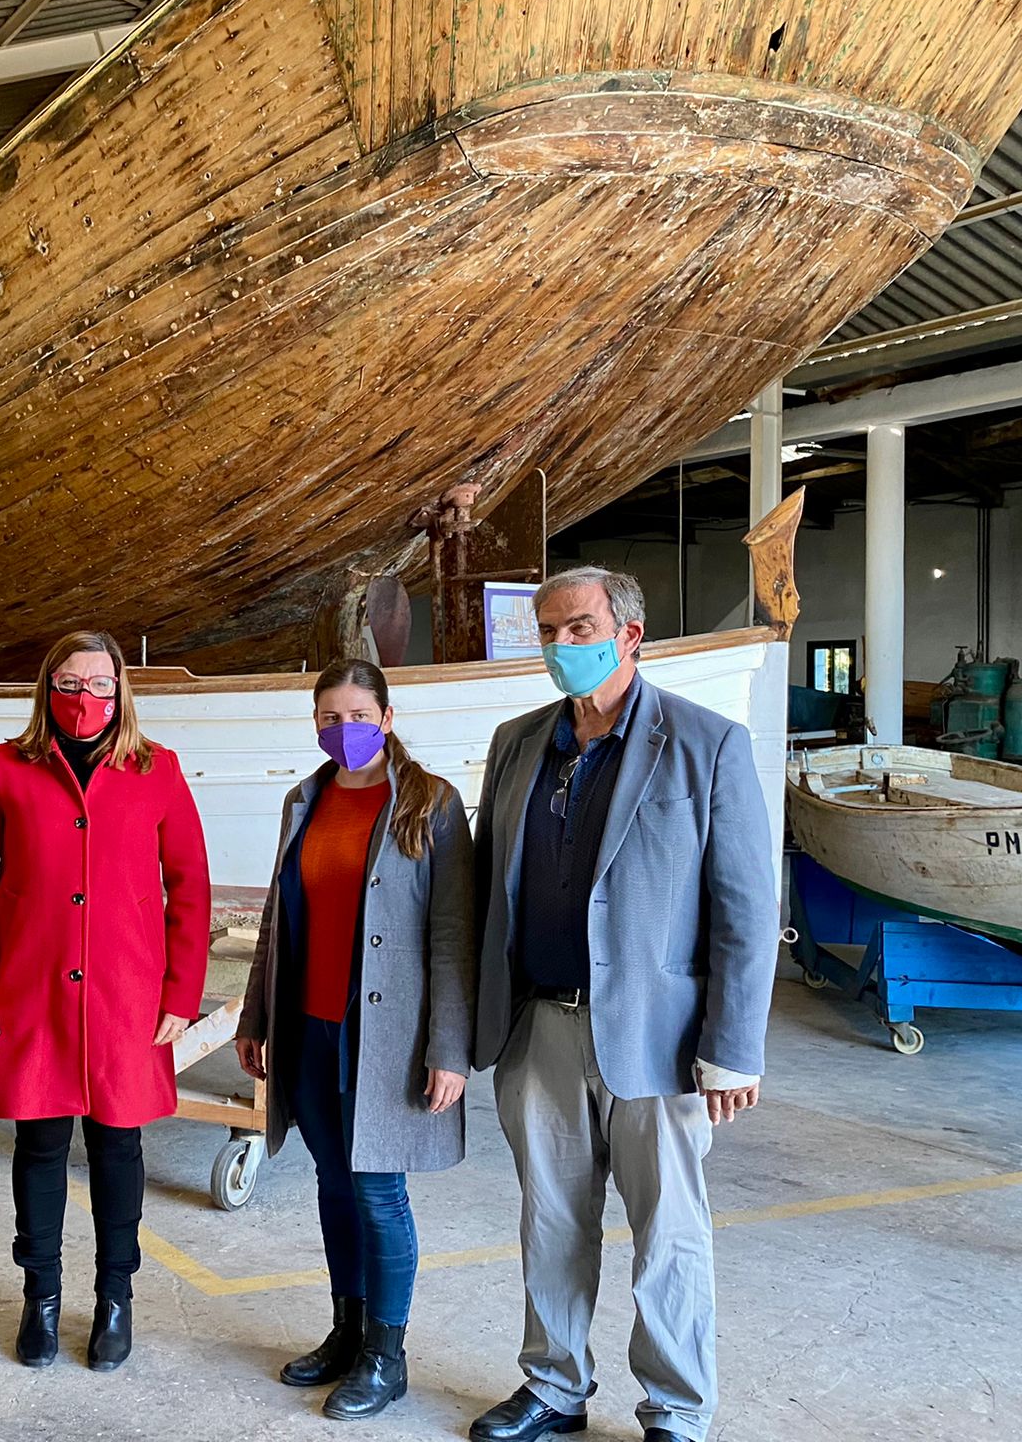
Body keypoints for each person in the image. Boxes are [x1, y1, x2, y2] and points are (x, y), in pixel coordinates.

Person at [466, 566, 774, 1442]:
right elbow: (491, 889)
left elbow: (747, 909)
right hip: (541, 1027)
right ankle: (554, 1387)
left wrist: (734, 1047)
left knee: (668, 1236)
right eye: (549, 631)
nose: (562, 646)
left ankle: (676, 1409)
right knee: (551, 1223)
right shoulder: (518, 743)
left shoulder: (704, 743)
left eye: (579, 628)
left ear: (628, 634)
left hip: (659, 1040)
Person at [0, 630, 211, 1372]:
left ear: (121, 690)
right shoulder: (4, 767)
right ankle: (41, 1297)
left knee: (119, 1144)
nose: (84, 699)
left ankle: (116, 1299)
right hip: (30, 994)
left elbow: (189, 887)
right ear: (46, 689)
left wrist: (180, 993)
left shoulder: (157, 770)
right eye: (69, 683)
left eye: (99, 685)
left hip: (127, 998)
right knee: (38, 1144)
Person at [234, 660, 474, 1419]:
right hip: (307, 1028)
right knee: (333, 1186)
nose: (346, 730)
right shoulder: (303, 800)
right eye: (330, 717)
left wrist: (450, 1048)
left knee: (378, 1193)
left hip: (386, 1038)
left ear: (388, 717)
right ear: (315, 724)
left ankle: (386, 1354)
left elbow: (452, 937)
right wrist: (255, 1017)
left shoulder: (431, 805)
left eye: (359, 714)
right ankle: (345, 1330)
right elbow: (278, 918)